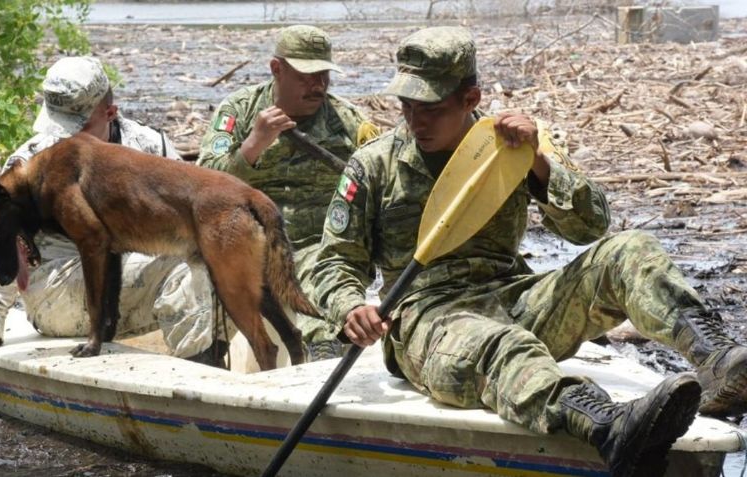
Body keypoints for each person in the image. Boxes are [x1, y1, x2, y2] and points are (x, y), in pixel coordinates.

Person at [310, 27, 747, 476]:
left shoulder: (510, 146)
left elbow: (591, 226)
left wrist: (539, 164)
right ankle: (606, 424)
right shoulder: (375, 164)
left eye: (432, 110)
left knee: (630, 250)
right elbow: (334, 261)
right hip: (428, 320)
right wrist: (350, 307)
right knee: (503, 343)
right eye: (406, 107)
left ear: (470, 98)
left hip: (514, 297)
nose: (416, 122)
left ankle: (722, 362)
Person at [0, 56, 220, 372]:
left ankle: (218, 363)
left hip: (136, 276)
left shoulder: (148, 145)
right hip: (57, 290)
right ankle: (197, 380)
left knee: (217, 260)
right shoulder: (30, 165)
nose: (63, 138)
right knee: (180, 268)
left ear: (111, 114)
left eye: (77, 127)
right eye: (57, 125)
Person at [197, 25, 379, 362]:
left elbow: (382, 182)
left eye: (324, 74)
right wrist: (253, 145)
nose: (318, 85)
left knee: (324, 320)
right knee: (196, 299)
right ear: (276, 69)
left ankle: (318, 377)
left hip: (314, 248)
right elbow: (206, 183)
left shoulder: (349, 121)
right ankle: (207, 368)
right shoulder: (239, 111)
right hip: (244, 244)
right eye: (307, 76)